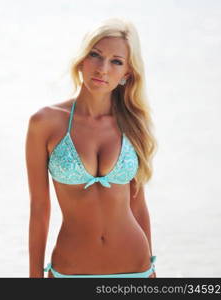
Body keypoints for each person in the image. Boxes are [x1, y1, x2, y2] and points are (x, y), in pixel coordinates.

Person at [25, 17, 158, 278]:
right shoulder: (45, 122)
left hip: (136, 270)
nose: (103, 69)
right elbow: (40, 208)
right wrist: (34, 278)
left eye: (116, 61)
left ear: (126, 73)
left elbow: (138, 205)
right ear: (82, 59)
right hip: (71, 270)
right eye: (96, 55)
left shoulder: (133, 122)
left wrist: (152, 272)